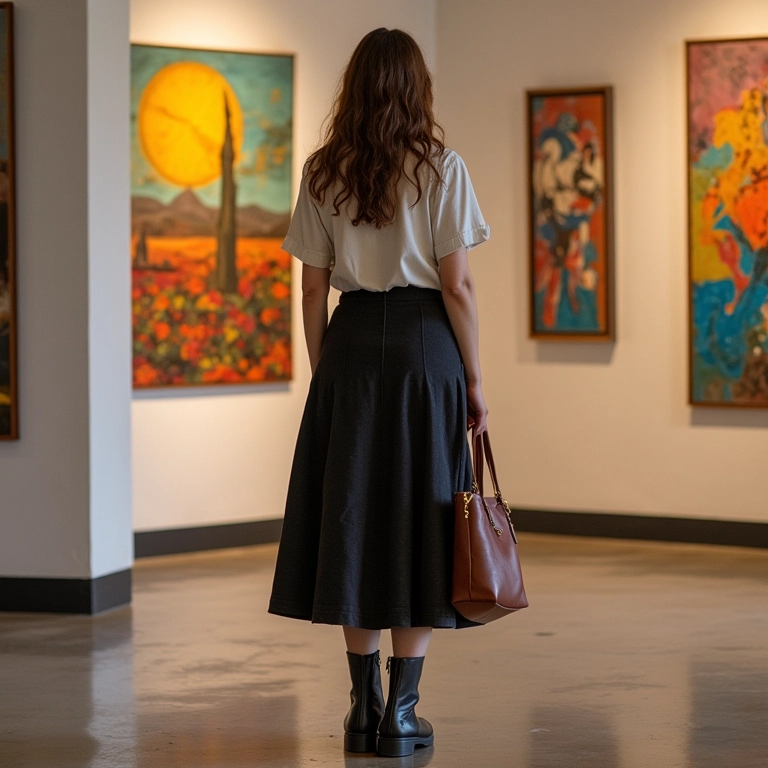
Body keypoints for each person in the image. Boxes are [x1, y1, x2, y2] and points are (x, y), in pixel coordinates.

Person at [268, 27, 490, 758]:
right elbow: (456, 286)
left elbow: (310, 286)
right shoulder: (441, 168)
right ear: (416, 88)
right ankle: (402, 711)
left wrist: (322, 367)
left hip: (351, 347)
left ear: (354, 87)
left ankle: (359, 708)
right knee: (424, 513)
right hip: (428, 350)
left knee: (353, 514)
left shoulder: (323, 170)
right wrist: (476, 381)